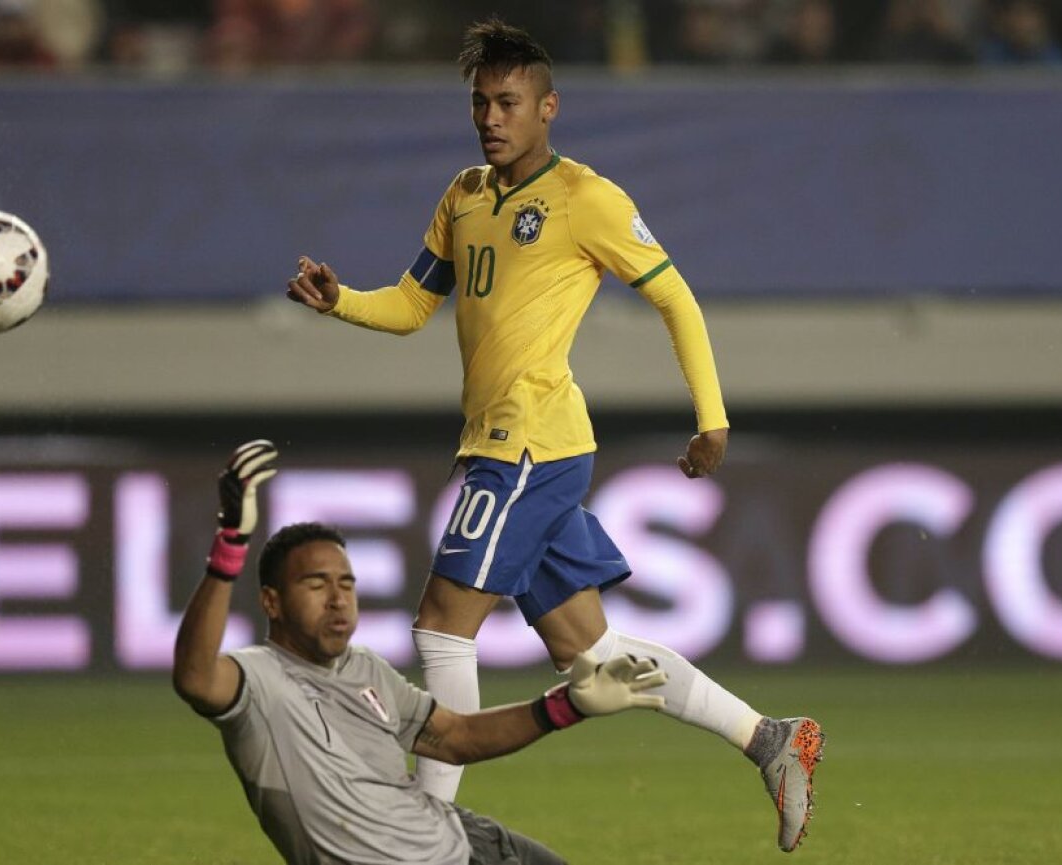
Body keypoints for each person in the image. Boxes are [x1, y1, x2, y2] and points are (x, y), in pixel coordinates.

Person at [286, 17, 824, 853]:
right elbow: (411, 304)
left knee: (440, 624)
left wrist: (711, 417)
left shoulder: (586, 198)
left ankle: (418, 833)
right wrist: (342, 300)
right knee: (591, 652)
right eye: (480, 103)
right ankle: (771, 739)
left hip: (530, 441)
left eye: (508, 103)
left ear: (549, 109)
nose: (490, 118)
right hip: (506, 441)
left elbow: (676, 297)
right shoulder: (464, 194)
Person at [173, 439, 670, 865]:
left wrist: (567, 705)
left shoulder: (365, 668)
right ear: (271, 601)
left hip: (471, 843)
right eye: (316, 583)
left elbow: (454, 736)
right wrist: (230, 547)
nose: (338, 597)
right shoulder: (256, 680)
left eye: (347, 582)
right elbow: (195, 677)